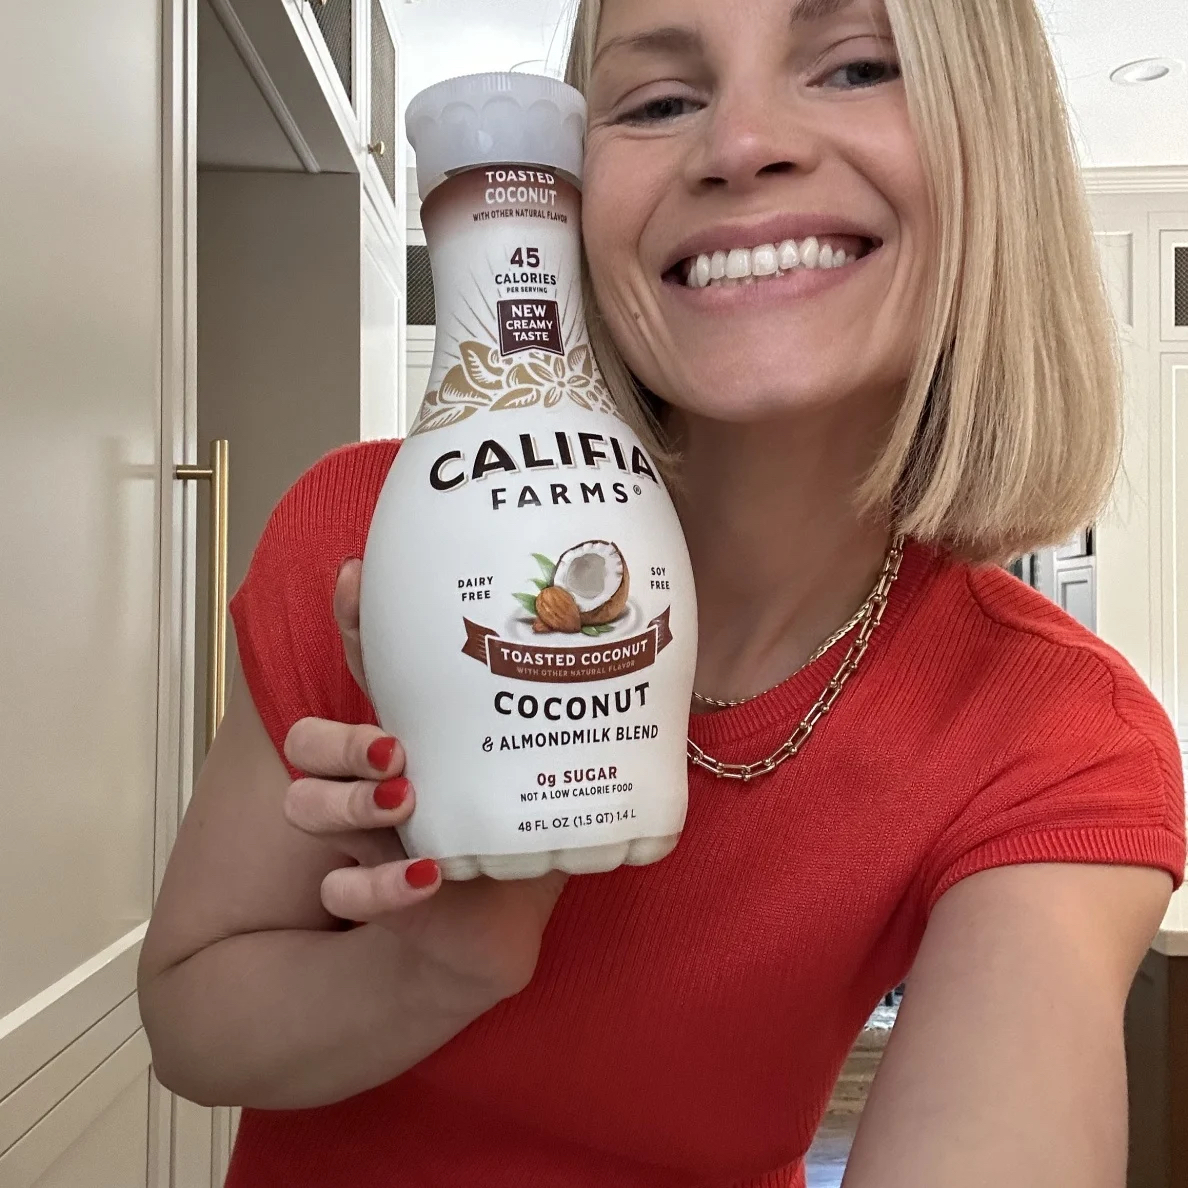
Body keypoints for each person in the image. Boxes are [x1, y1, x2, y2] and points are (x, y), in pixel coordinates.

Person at [138, 0, 1187, 1184]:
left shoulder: (1054, 734)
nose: (740, 145)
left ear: (993, 149)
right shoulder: (365, 546)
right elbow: (188, 1021)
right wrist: (435, 963)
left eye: (852, 68)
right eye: (660, 101)